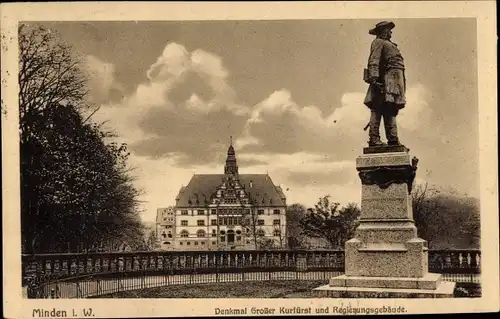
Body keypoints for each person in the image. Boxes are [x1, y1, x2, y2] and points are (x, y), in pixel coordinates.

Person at [363, 21, 406, 147]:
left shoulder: (390, 44)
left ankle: (393, 138)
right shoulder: (379, 42)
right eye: (388, 30)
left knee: (390, 109)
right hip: (383, 82)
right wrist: (374, 78)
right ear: (383, 31)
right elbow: (374, 60)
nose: (391, 32)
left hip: (393, 83)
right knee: (377, 109)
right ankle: (374, 138)